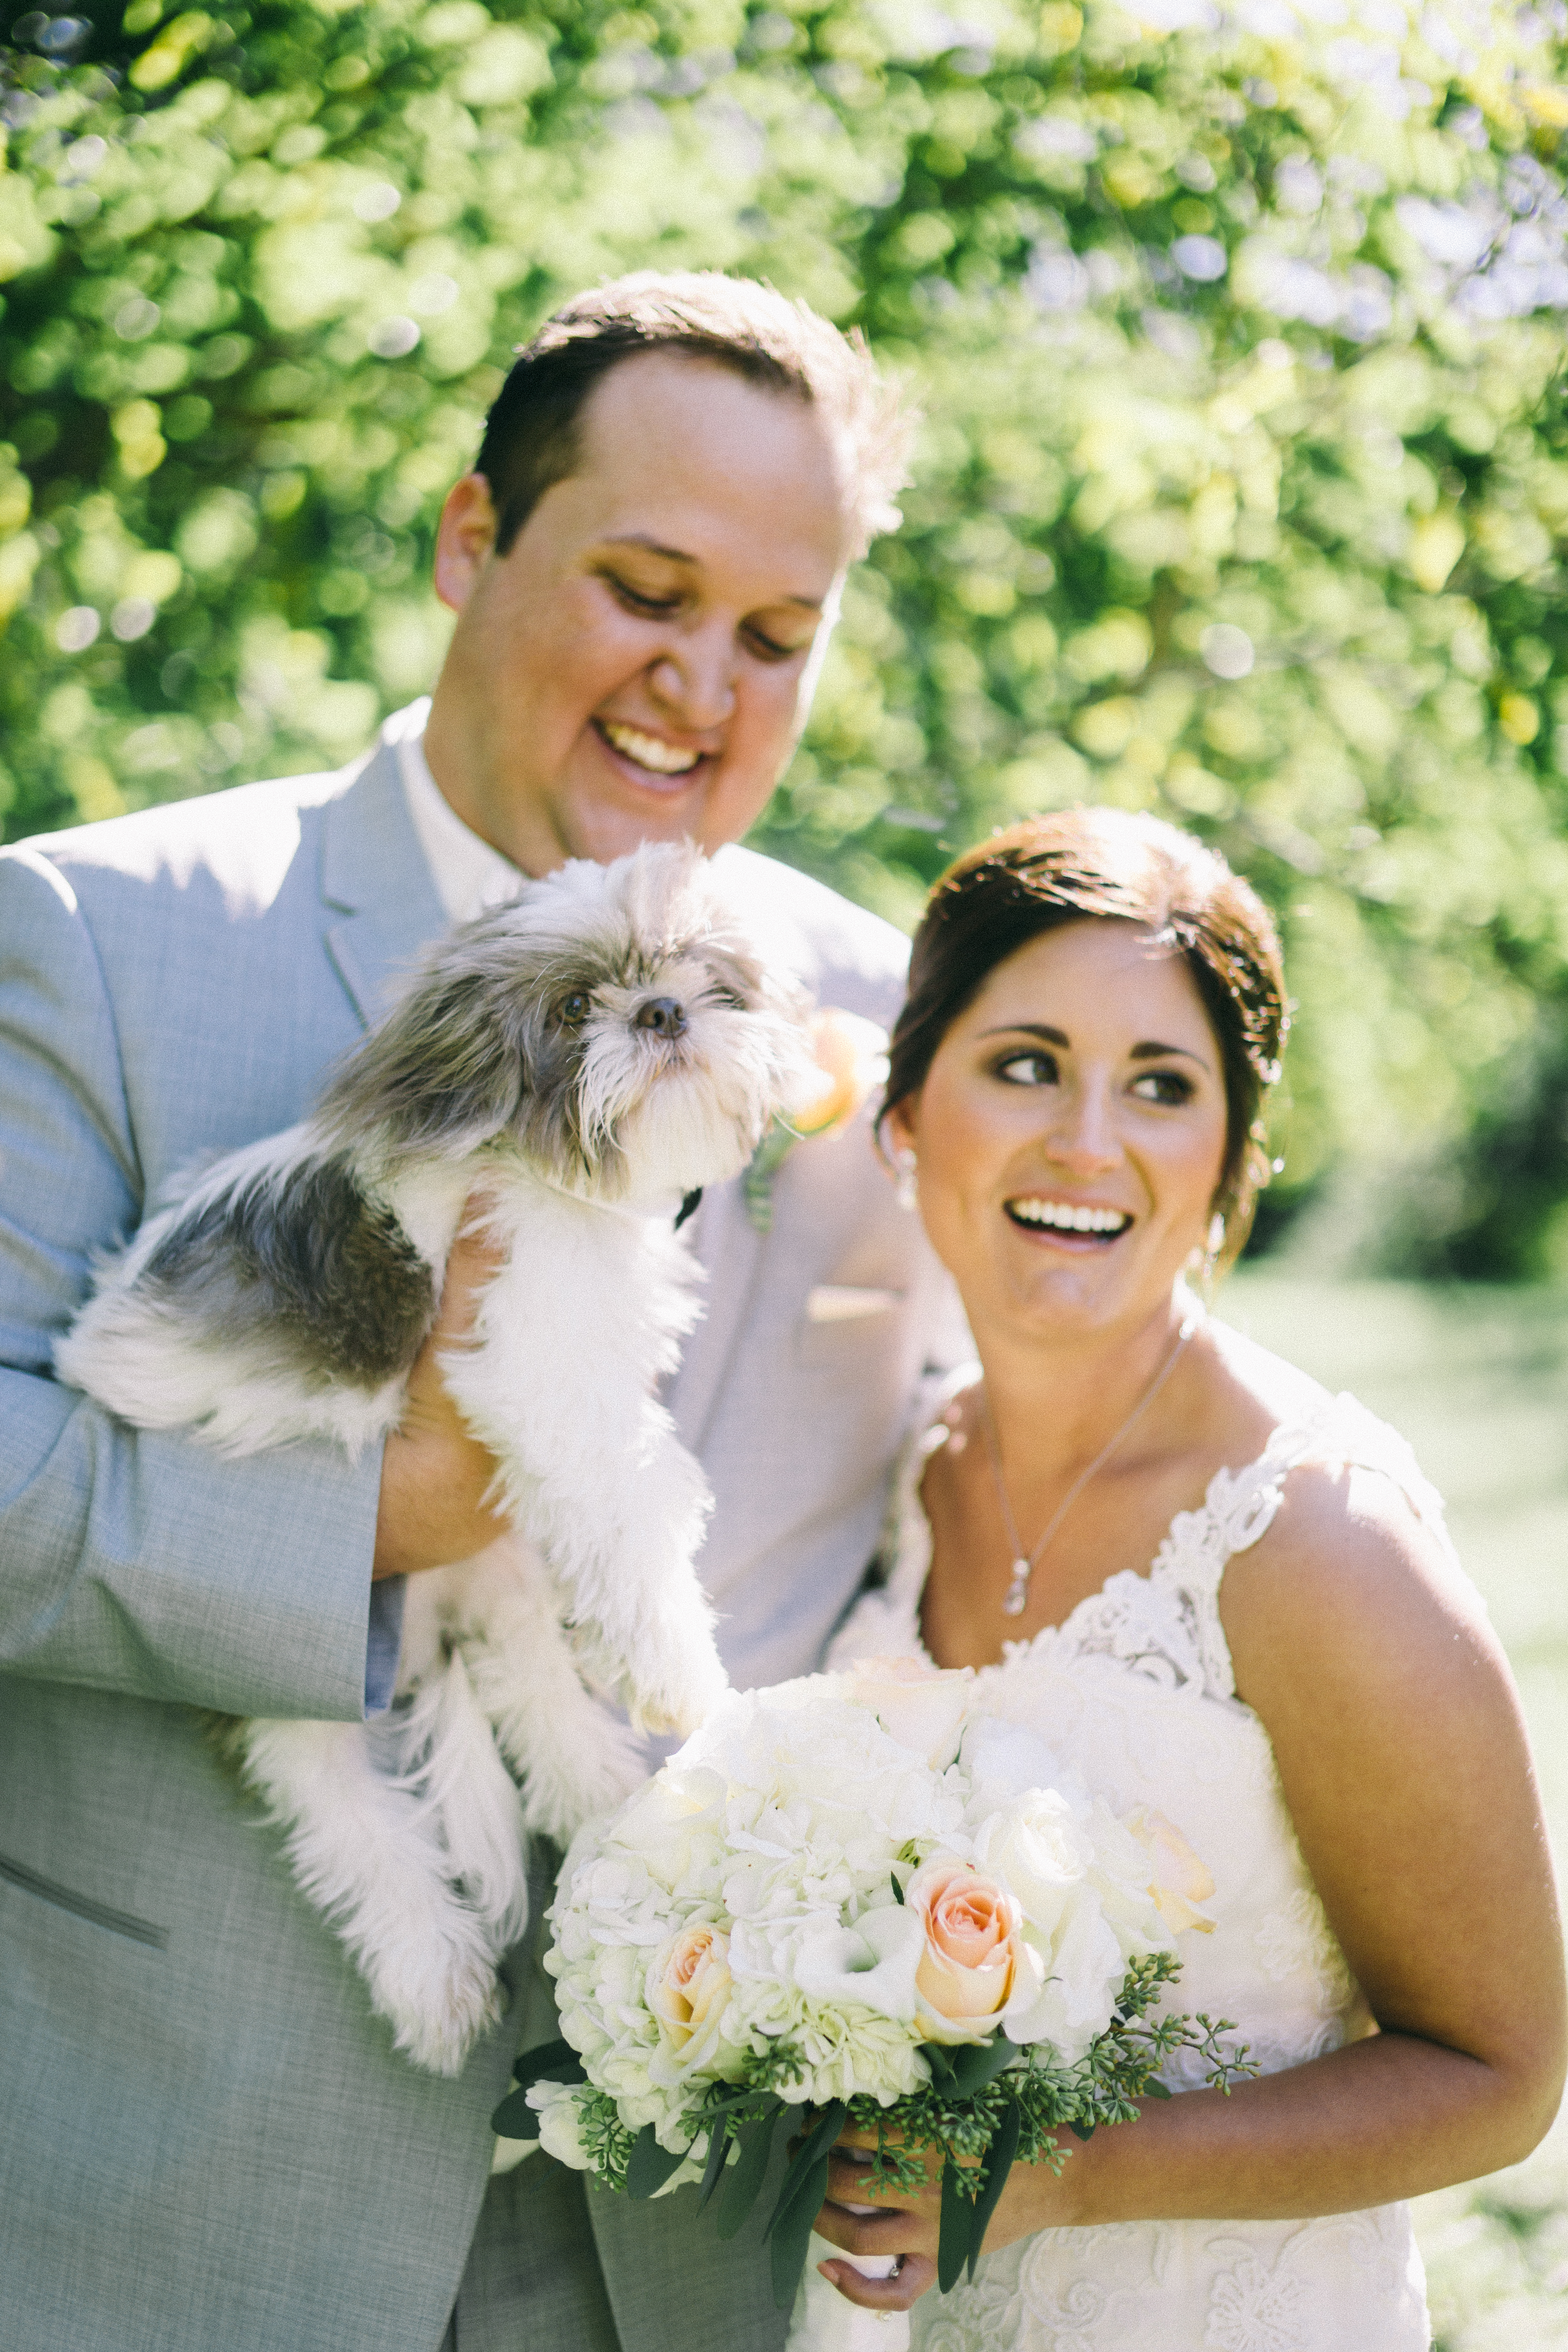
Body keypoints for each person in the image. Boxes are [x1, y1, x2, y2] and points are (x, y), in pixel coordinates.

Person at [0, 274, 959, 2352]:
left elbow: (975, 1503)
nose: (701, 685)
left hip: (680, 2252)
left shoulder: (882, 1019)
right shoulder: (90, 935)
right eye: (644, 587)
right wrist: (382, 1512)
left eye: (776, 638)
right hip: (184, 2208)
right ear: (467, 540)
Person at [814, 808, 1566, 2346]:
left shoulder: (1312, 1540)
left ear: (1230, 1158)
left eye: (1160, 1087)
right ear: (908, 1114)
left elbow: (1504, 2075)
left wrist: (1077, 2176)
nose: (1087, 1140)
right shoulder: (902, 1471)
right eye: (1025, 1062)